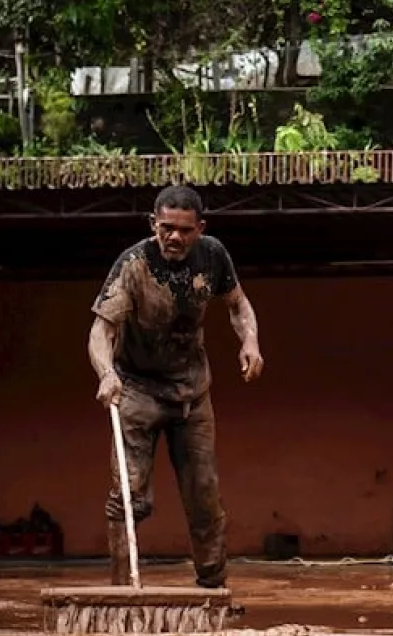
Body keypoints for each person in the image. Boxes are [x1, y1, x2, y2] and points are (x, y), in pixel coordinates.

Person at [87, 185, 263, 589]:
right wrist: (106, 373)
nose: (175, 238)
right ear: (154, 224)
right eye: (166, 228)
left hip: (191, 392)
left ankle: (213, 585)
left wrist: (250, 341)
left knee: (204, 494)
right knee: (128, 497)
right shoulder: (133, 264)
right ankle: (122, 592)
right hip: (135, 388)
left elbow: (238, 305)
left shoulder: (213, 255)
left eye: (185, 230)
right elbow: (101, 330)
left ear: (200, 228)